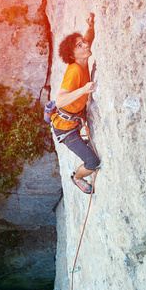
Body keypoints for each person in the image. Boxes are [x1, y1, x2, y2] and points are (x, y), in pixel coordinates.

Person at [52, 12, 100, 194]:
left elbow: (89, 38)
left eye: (83, 42)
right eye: (79, 45)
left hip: (74, 120)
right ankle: (77, 178)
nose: (85, 45)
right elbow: (60, 100)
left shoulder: (82, 60)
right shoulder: (75, 71)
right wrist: (83, 90)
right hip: (66, 131)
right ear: (72, 54)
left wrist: (90, 25)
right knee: (93, 162)